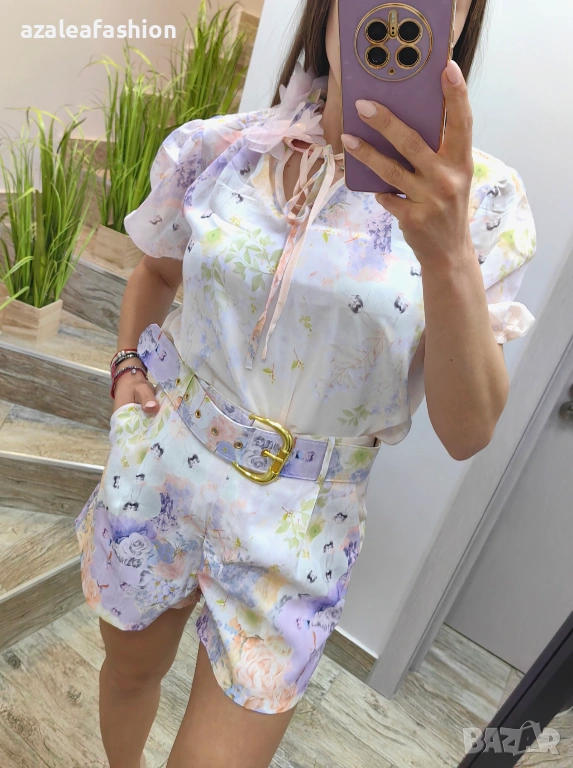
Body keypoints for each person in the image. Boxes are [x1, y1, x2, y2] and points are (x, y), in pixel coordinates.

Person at [74, 0, 538, 765]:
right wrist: (126, 367)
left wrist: (447, 254)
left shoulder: (486, 205)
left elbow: (467, 433)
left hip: (299, 527)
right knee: (127, 674)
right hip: (159, 470)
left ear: (462, 21)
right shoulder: (219, 149)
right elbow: (156, 271)